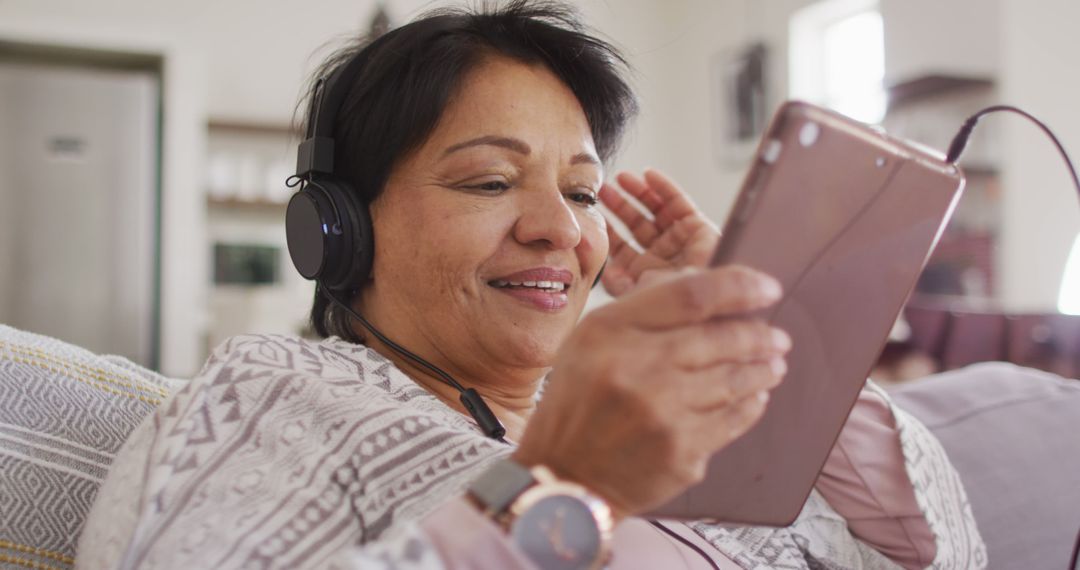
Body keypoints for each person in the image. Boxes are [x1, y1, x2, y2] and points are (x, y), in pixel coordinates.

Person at [76, 2, 984, 568]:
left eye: (583, 191)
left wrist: (766, 341)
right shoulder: (273, 400)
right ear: (338, 227)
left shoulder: (666, 415)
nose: (561, 227)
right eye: (487, 181)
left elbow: (936, 549)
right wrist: (563, 484)